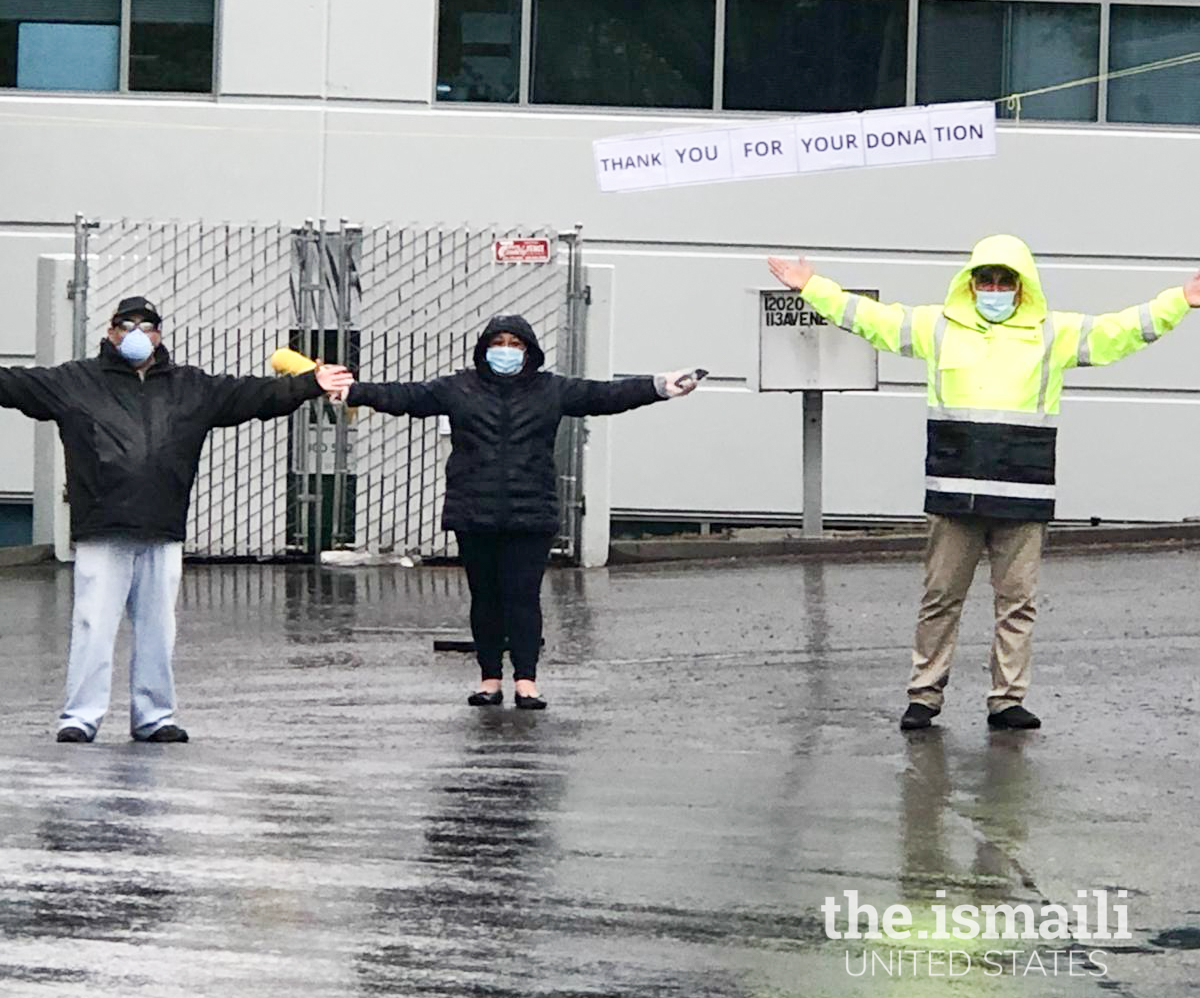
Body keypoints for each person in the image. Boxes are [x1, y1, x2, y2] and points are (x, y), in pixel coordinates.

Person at [767, 237, 1200, 733]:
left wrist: (1179, 301)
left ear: (1022, 286)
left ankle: (1007, 700)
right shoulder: (938, 328)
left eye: (1004, 281)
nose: (994, 289)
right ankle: (924, 697)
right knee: (940, 598)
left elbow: (1119, 331)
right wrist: (813, 288)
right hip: (955, 494)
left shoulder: (1051, 333)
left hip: (1022, 495)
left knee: (1017, 604)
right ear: (970, 284)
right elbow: (874, 319)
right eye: (985, 280)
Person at [0, 296, 353, 743]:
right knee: (93, 625)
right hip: (103, 526)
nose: (136, 333)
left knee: (158, 628)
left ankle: (154, 717)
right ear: (109, 332)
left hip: (162, 525)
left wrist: (310, 382)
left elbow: (256, 395)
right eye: (126, 324)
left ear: (160, 334)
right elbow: (12, 384)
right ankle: (80, 718)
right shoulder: (75, 381)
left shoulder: (190, 387)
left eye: (147, 325)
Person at [333, 313, 699, 708]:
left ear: (529, 351)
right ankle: (489, 679)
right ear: (484, 349)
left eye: (515, 344)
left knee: (523, 596)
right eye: (498, 343)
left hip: (531, 511)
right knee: (485, 597)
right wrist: (355, 391)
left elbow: (604, 396)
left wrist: (659, 387)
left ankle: (527, 680)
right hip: (474, 509)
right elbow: (405, 397)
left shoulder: (551, 389)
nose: (505, 351)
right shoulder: (458, 388)